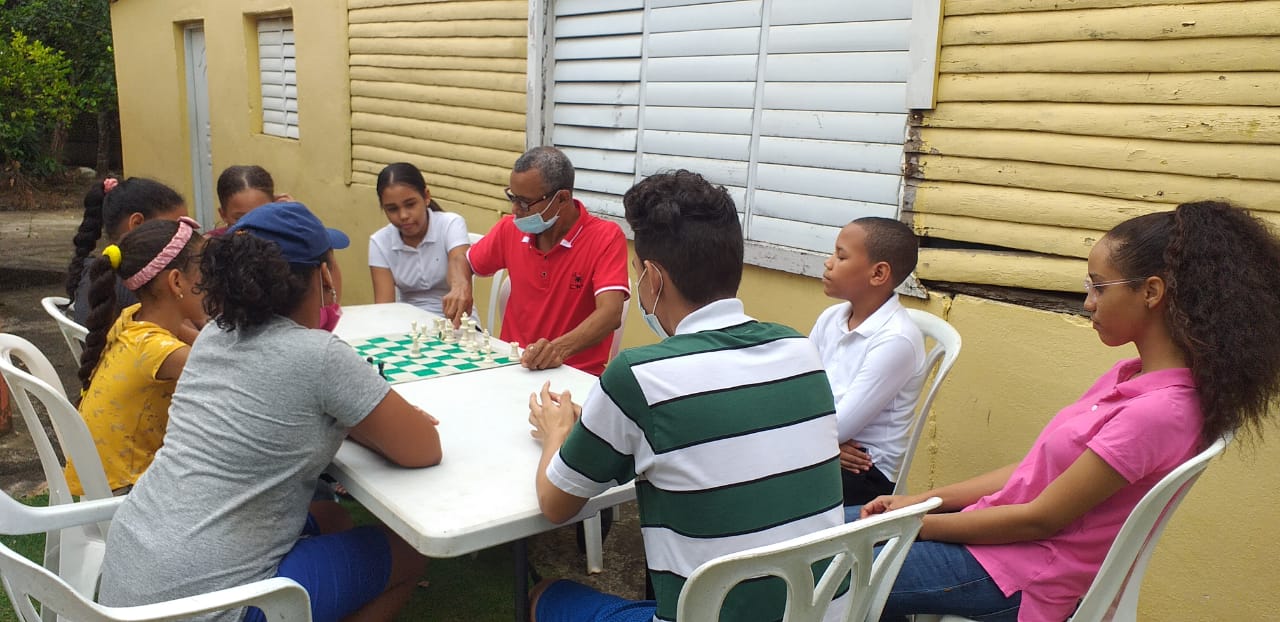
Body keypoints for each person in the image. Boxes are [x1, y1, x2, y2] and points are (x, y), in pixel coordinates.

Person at [865, 201, 1280, 621]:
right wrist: (923, 502)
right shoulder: (1130, 378)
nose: (1088, 303)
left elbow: (1038, 521)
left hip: (1020, 574)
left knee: (824, 563)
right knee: (825, 534)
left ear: (1152, 292)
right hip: (997, 546)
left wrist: (912, 524)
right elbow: (1032, 469)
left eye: (1100, 287)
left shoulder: (1158, 413)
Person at [98, 202, 443, 622]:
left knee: (332, 516)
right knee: (409, 551)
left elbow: (281, 407)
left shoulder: (213, 338)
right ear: (322, 276)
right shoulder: (320, 356)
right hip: (211, 609)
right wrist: (372, 419)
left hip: (132, 576)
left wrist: (356, 416)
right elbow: (423, 449)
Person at [527, 170, 845, 622]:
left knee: (546, 595)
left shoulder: (639, 376)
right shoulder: (802, 350)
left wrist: (556, 432)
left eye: (638, 273)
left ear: (653, 279)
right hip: (825, 611)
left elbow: (555, 504)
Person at [64, 217, 206, 496]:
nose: (212, 285)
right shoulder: (163, 351)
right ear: (176, 282)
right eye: (205, 275)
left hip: (98, 487)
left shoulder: (132, 319)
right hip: (126, 495)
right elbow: (234, 377)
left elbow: (208, 351)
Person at [467, 146, 629, 375]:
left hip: (574, 375)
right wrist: (461, 288)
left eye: (524, 202)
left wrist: (558, 350)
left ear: (562, 198)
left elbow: (610, 314)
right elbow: (464, 262)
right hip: (513, 366)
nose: (515, 210)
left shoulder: (605, 237)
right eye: (512, 198)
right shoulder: (510, 229)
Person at [810, 217, 926, 512]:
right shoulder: (832, 318)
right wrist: (827, 442)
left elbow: (842, 425)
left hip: (864, 472)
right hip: (825, 450)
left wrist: (822, 439)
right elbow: (797, 385)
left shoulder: (896, 340)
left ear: (878, 273)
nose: (828, 263)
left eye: (841, 255)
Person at [65, 177, 188, 326]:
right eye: (173, 228)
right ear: (137, 224)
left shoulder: (98, 272)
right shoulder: (137, 284)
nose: (183, 239)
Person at [368, 162, 474, 322]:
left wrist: (460, 286)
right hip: (409, 326)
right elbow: (385, 309)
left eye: (410, 204)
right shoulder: (379, 242)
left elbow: (458, 264)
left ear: (426, 197)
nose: (403, 215)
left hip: (456, 322)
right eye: (392, 209)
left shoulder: (450, 224)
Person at [206, 164, 292, 237]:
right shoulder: (210, 246)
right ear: (223, 214)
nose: (253, 226)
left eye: (262, 216)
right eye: (240, 219)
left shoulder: (287, 238)